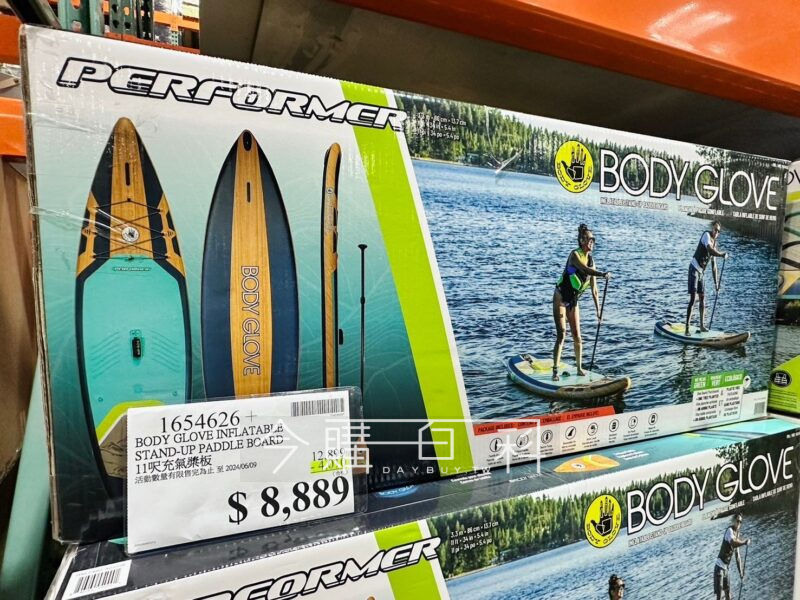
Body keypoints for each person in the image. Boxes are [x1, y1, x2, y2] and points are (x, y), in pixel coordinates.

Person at [552, 224, 610, 380]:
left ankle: (579, 368)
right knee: (562, 334)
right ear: (582, 241)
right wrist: (602, 274)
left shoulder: (591, 260)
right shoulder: (574, 255)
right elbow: (585, 270)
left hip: (573, 300)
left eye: (593, 240)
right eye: (589, 239)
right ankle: (555, 370)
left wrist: (598, 311)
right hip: (560, 297)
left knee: (577, 335)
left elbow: (594, 290)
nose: (592, 242)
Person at [686, 221, 728, 335]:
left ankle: (702, 326)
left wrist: (716, 284)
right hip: (694, 268)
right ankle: (687, 328)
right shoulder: (706, 235)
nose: (716, 232)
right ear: (712, 228)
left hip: (701, 273)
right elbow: (709, 249)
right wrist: (721, 254)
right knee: (693, 298)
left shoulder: (715, 244)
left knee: (702, 298)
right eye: (715, 229)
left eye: (718, 231)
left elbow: (714, 267)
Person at [714, 513, 750, 600]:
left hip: (726, 569)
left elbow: (737, 557)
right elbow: (733, 543)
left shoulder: (737, 534)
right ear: (734, 521)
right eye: (737, 521)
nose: (739, 523)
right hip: (719, 567)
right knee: (720, 595)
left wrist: (741, 573)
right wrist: (744, 542)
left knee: (728, 593)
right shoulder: (729, 531)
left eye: (740, 522)